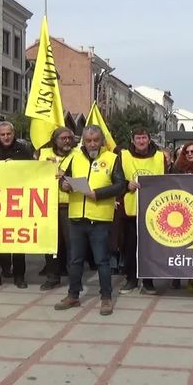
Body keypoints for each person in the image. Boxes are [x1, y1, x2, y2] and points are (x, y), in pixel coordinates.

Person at [54, 125, 126, 316]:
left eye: (96, 140)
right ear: (83, 141)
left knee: (102, 260)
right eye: (88, 140)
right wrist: (64, 185)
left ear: (102, 140)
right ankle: (73, 295)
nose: (92, 144)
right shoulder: (75, 157)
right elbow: (63, 180)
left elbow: (120, 185)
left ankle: (106, 298)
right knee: (75, 259)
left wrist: (98, 194)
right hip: (77, 216)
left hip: (99, 218)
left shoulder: (112, 158)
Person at [0, 121, 34, 289]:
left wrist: (16, 165)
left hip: (16, 202)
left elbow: (33, 171)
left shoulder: (23, 150)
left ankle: (19, 276)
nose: (6, 137)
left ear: (13, 133)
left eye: (8, 134)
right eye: (2, 134)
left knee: (17, 240)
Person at [119, 127, 166, 295]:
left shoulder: (159, 157)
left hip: (153, 211)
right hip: (130, 210)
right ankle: (131, 280)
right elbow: (115, 179)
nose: (141, 141)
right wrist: (126, 185)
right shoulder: (123, 155)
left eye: (144, 138)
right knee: (130, 248)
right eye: (138, 138)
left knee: (149, 249)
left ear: (149, 139)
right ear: (132, 140)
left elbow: (168, 180)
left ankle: (148, 281)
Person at [36, 127, 76, 291]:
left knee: (72, 245)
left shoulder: (78, 155)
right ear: (55, 140)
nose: (67, 141)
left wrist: (66, 178)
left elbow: (84, 179)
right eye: (63, 138)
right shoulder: (43, 154)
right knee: (50, 244)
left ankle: (74, 279)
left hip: (70, 205)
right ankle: (52, 277)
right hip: (48, 206)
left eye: (69, 138)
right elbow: (33, 174)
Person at [169, 142, 193, 290]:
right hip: (181, 212)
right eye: (187, 152)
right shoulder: (177, 169)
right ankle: (176, 276)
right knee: (180, 246)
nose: (189, 154)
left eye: (192, 152)